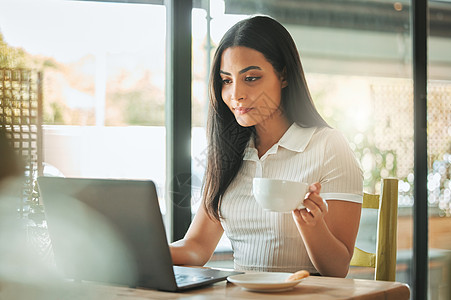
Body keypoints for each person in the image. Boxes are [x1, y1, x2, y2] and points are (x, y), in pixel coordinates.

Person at [170, 15, 363, 277]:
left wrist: (312, 225)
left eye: (250, 78)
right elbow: (197, 248)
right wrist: (142, 251)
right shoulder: (227, 152)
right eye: (226, 80)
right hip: (240, 294)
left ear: (283, 75)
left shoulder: (329, 146)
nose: (236, 93)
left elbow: (337, 268)